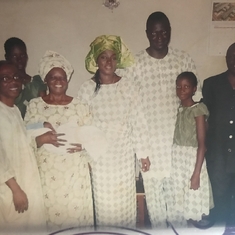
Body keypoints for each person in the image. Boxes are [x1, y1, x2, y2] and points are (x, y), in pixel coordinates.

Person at [123, 11, 201, 228]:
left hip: (178, 147)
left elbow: (196, 103)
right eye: (154, 32)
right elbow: (129, 108)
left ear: (170, 32)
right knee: (156, 210)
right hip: (150, 147)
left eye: (164, 31)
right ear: (147, 33)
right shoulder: (134, 64)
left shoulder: (183, 60)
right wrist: (140, 150)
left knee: (178, 205)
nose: (159, 36)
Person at [77, 35, 151, 228]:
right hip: (99, 160)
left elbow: (138, 121)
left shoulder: (128, 86)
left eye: (112, 57)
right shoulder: (87, 89)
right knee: (105, 207)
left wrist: (143, 154)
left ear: (118, 60)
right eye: (103, 57)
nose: (108, 62)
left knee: (125, 207)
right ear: (96, 60)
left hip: (123, 157)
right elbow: (81, 125)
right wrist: (86, 157)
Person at [24, 51, 94, 232]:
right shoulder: (35, 105)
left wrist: (85, 144)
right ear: (45, 79)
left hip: (75, 173)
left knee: (76, 220)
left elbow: (93, 136)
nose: (58, 80)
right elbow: (24, 137)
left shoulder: (80, 105)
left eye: (62, 77)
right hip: (48, 175)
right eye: (53, 77)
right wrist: (41, 139)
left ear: (67, 80)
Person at [0, 60, 46, 234]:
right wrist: (16, 189)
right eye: (5, 78)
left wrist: (42, 130)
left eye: (16, 77)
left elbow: (21, 139)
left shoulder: (13, 110)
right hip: (11, 189)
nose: (13, 81)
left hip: (26, 181)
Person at [169, 71, 212, 227]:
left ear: (194, 89)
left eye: (186, 87)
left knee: (192, 193)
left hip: (193, 160)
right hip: (178, 160)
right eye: (178, 86)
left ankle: (194, 226)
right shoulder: (179, 108)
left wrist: (196, 173)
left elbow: (202, 144)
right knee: (180, 200)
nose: (181, 90)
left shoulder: (198, 109)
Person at [202, 42, 235, 226]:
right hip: (218, 153)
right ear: (226, 59)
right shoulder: (211, 84)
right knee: (218, 194)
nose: (234, 60)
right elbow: (203, 119)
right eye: (231, 56)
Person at [4, 37, 47, 118]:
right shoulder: (5, 85)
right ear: (7, 58)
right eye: (14, 56)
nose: (19, 60)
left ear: (27, 56)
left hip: (36, 127)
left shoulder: (37, 82)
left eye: (22, 55)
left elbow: (43, 111)